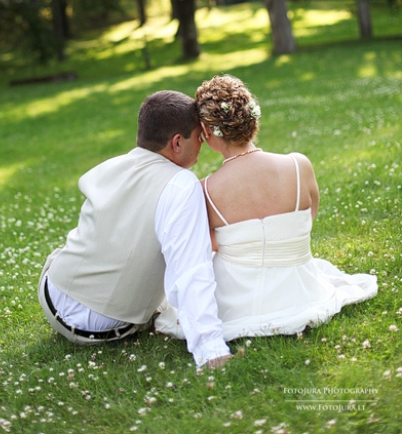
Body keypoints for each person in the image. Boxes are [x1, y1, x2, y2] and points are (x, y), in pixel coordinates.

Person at [155, 75, 377, 341]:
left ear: (206, 130)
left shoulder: (206, 190)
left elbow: (211, 244)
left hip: (238, 301)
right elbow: (308, 218)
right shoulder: (299, 165)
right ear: (252, 118)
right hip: (301, 290)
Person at [38, 90, 232, 369]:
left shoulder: (112, 165)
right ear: (177, 143)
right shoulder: (181, 184)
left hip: (52, 293)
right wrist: (210, 349)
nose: (201, 145)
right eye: (198, 138)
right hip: (101, 324)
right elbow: (191, 270)